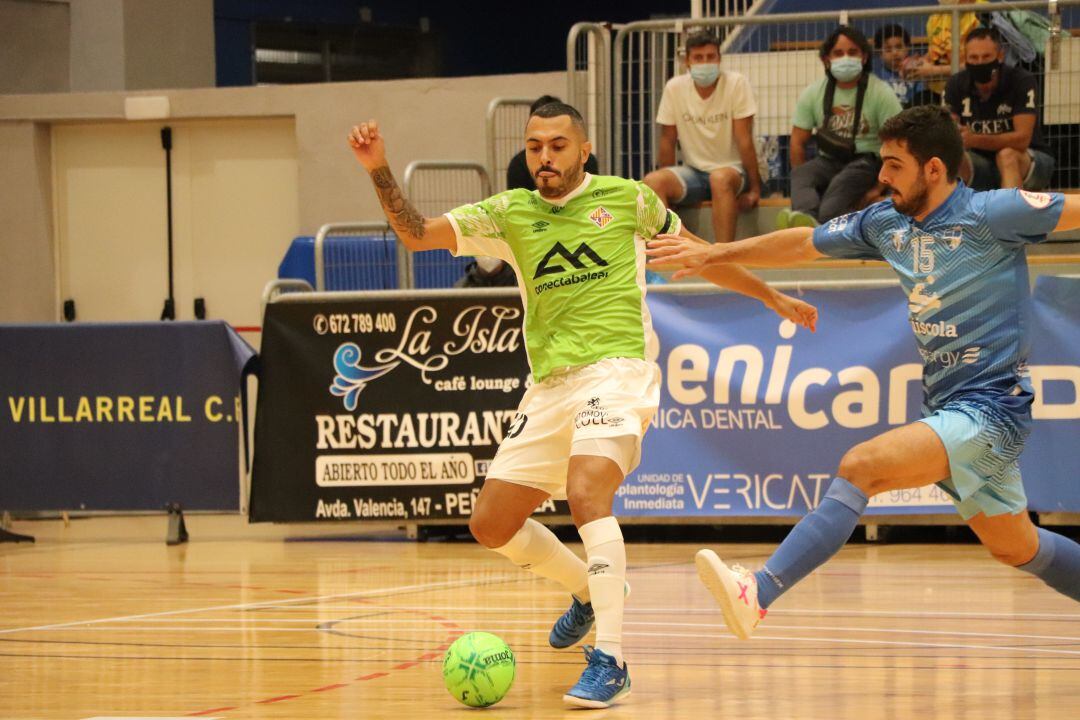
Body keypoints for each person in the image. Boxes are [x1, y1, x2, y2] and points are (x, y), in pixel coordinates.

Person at [348, 103, 817, 707]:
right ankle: (590, 589)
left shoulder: (628, 200)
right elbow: (415, 233)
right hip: (549, 385)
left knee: (588, 491)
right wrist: (378, 168)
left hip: (618, 369)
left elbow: (700, 256)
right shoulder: (510, 212)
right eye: (535, 146)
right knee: (491, 524)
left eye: (559, 145)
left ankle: (612, 658)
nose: (545, 156)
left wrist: (772, 296)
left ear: (584, 149)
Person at [645, 105, 1080, 640]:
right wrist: (716, 252)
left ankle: (758, 592)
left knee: (861, 466)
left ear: (935, 171)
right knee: (1018, 546)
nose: (882, 176)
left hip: (993, 408)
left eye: (895, 165)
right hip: (947, 409)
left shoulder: (994, 213)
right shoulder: (886, 223)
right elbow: (803, 244)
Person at [643, 31, 761, 244]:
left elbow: (745, 140)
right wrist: (669, 179)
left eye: (711, 57)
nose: (705, 63)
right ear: (687, 61)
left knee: (719, 178)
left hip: (733, 171)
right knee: (652, 181)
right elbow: (667, 140)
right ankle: (670, 252)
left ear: (719, 59)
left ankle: (722, 254)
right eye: (698, 58)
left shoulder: (736, 84)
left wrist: (755, 189)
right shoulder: (674, 87)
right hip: (694, 172)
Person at [785, 25, 902, 228]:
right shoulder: (813, 93)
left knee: (832, 205)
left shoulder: (881, 93)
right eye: (838, 53)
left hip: (866, 163)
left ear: (864, 57)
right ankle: (804, 218)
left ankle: (820, 224)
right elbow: (797, 142)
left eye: (853, 52)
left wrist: (878, 188)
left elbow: (898, 144)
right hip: (828, 160)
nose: (845, 58)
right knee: (801, 174)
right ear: (826, 60)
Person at [946, 27, 1054, 191]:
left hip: (1030, 160)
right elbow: (948, 130)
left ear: (1000, 56)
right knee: (952, 158)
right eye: (974, 57)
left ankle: (1010, 214)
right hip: (981, 162)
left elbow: (1022, 140)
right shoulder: (956, 84)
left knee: (1007, 155)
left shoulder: (1021, 81)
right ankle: (958, 215)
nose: (980, 62)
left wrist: (975, 139)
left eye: (986, 56)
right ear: (965, 59)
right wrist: (955, 135)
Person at [506, 95, 599, 191]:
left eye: (558, 147)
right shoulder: (518, 164)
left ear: (583, 153)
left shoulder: (610, 193)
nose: (544, 158)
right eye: (534, 148)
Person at [872, 24, 935, 108]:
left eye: (899, 47)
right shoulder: (876, 78)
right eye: (888, 49)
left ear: (907, 48)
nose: (895, 53)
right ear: (880, 53)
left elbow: (922, 98)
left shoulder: (916, 73)